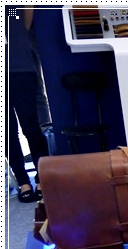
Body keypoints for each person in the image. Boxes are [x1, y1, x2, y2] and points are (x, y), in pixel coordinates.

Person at [7, 6, 49, 202]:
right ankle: (23, 180)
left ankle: (42, 178)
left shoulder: (11, 10)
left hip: (20, 64)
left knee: (31, 126)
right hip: (18, 60)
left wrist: (17, 32)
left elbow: (25, 16)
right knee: (8, 130)